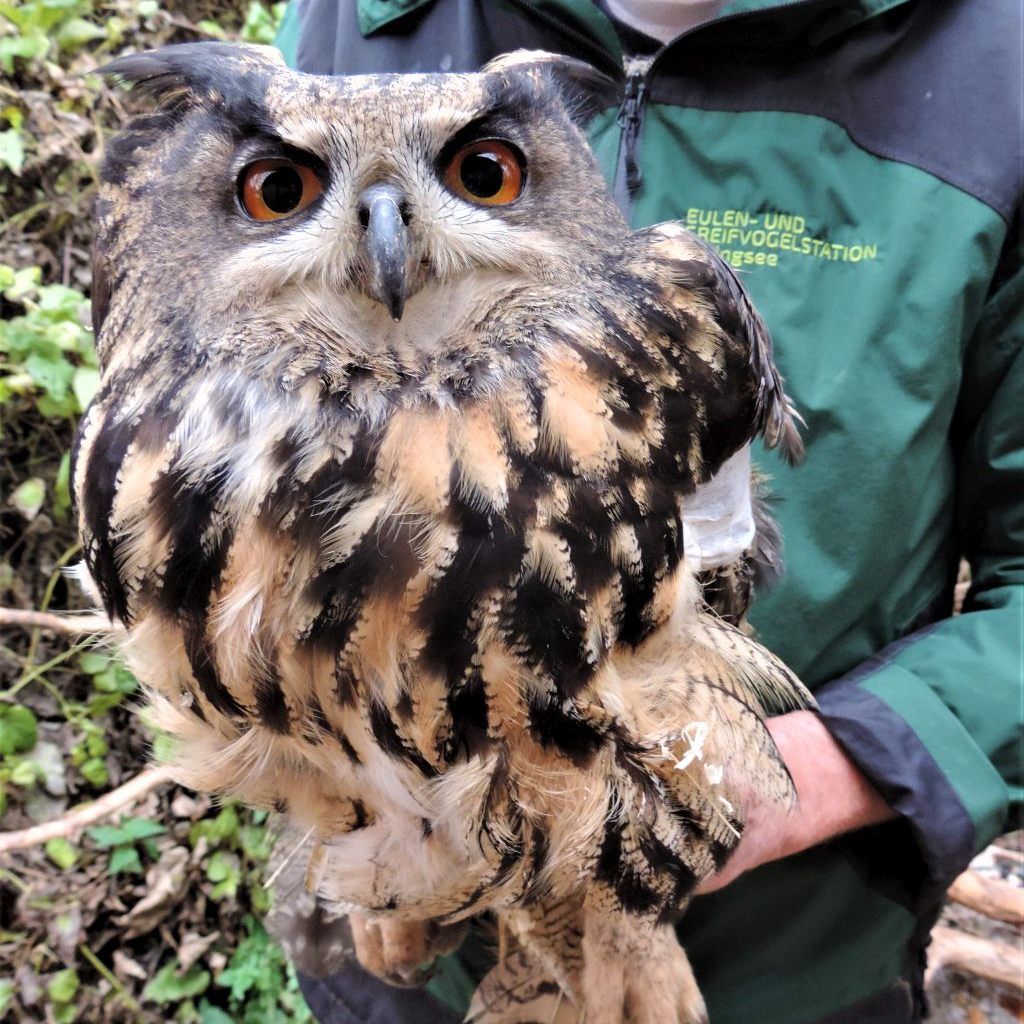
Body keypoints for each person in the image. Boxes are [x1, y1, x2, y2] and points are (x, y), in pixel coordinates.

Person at [272, 1, 1023, 1021]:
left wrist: (795, 779)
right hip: (408, 949)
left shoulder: (996, 68)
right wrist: (345, 784)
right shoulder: (356, 20)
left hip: (788, 962)